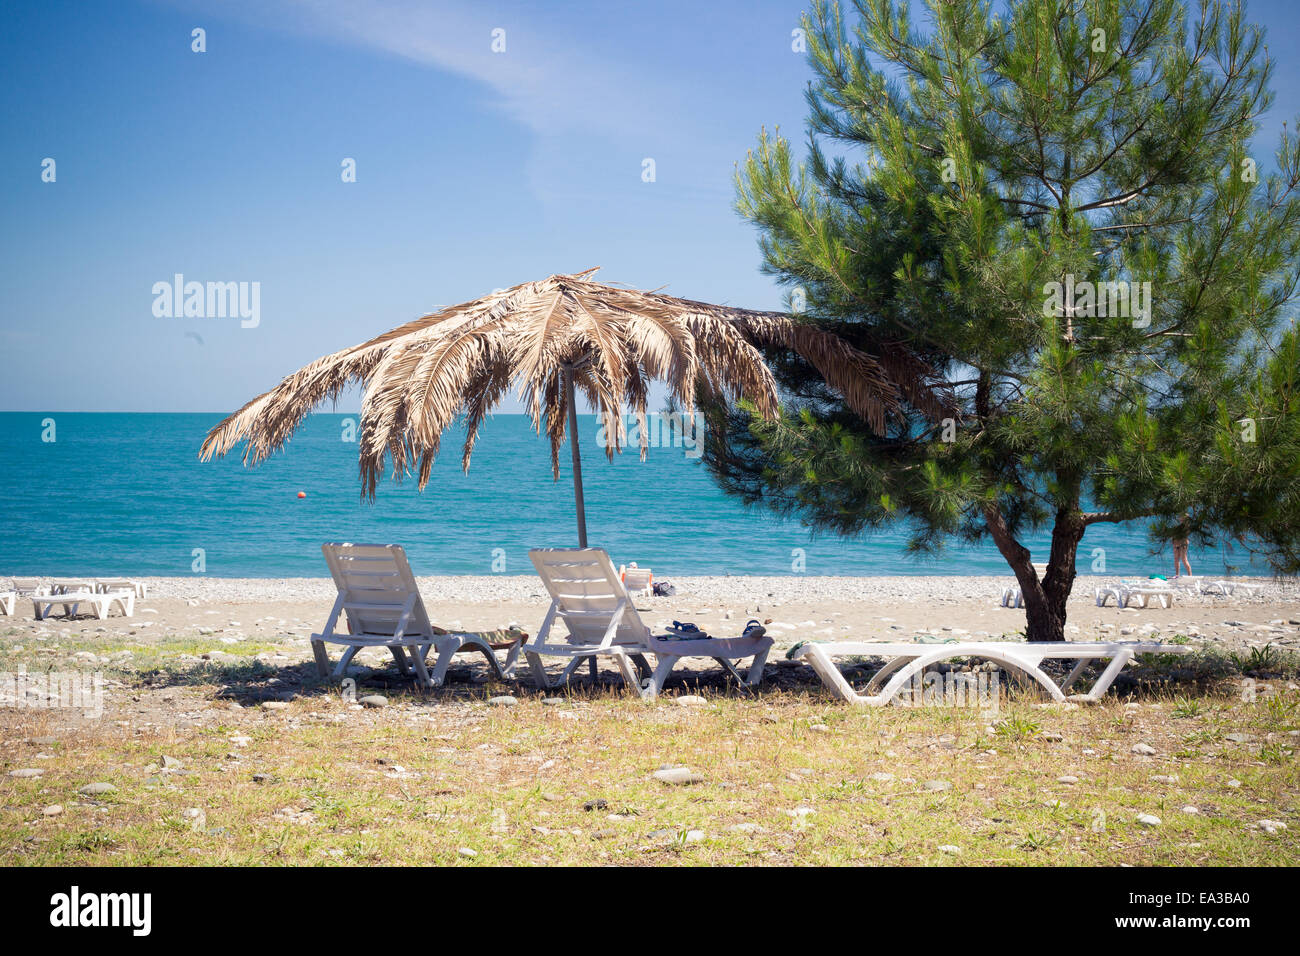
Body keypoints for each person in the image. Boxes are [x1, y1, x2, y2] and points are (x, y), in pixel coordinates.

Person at [1172, 512, 1192, 578]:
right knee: (1176, 559)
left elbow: (1184, 535)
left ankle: (1190, 575)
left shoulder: (1187, 526)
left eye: (1182, 517)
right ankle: (1177, 574)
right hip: (1176, 543)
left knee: (1184, 559)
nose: (1180, 518)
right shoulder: (1179, 526)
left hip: (1183, 544)